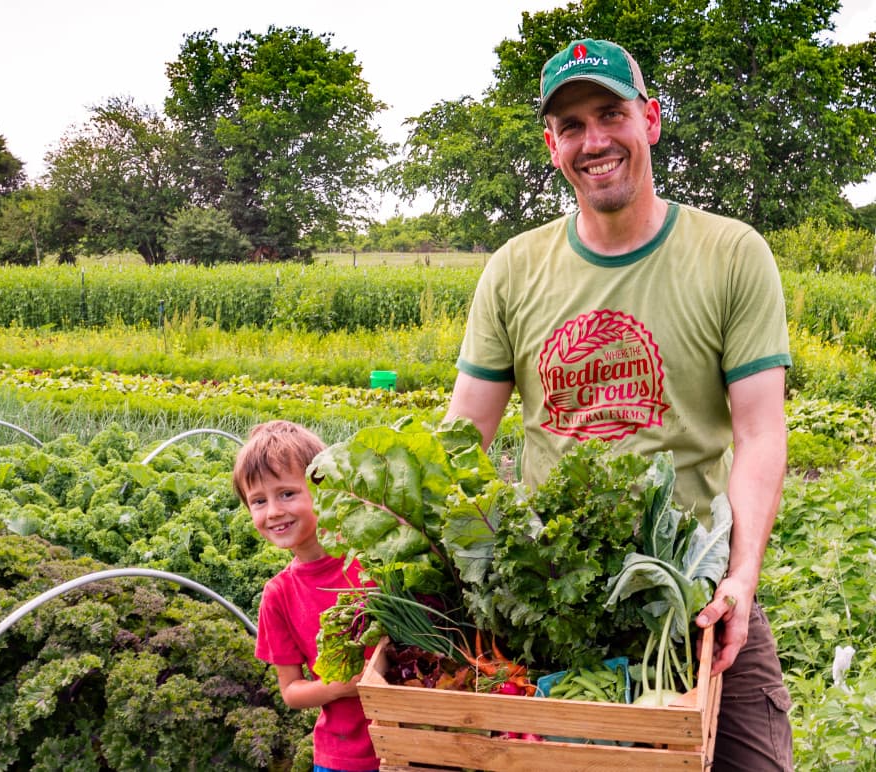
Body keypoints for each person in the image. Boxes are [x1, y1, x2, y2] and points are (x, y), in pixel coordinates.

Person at [445, 38, 793, 770]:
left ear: (651, 120)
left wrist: (741, 577)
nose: (593, 140)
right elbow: (461, 439)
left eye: (610, 113)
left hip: (698, 587)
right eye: (571, 126)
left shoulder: (731, 254)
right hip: (556, 605)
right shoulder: (514, 268)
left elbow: (761, 433)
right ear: (551, 145)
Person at [232, 420, 380, 772]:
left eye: (286, 494)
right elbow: (292, 691)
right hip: (342, 758)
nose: (273, 512)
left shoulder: (373, 560)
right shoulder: (278, 594)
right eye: (258, 501)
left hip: (414, 743)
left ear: (322, 489)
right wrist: (340, 686)